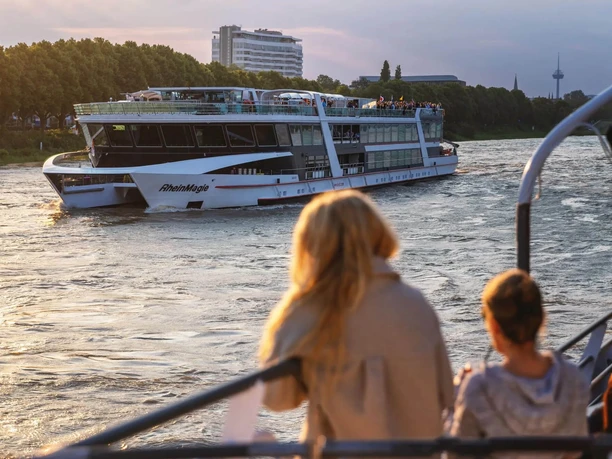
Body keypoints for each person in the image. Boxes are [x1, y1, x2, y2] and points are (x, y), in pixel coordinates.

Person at [259, 189, 454, 441]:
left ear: (312, 243)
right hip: (421, 456)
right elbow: (446, 392)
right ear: (377, 233)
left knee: (258, 441)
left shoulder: (310, 311)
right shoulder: (416, 304)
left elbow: (276, 398)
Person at [451, 269, 589, 448]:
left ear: (494, 326)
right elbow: (574, 453)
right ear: (541, 319)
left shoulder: (479, 388)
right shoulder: (573, 379)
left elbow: (455, 454)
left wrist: (457, 400)